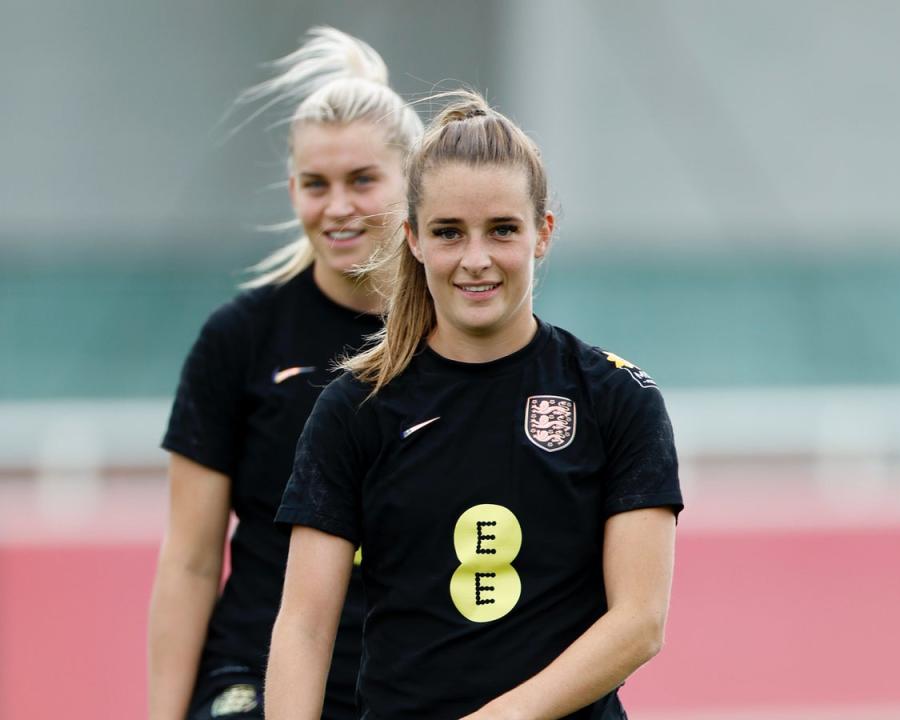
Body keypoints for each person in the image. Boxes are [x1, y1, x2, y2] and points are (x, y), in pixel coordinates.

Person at [266, 91, 683, 719]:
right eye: (449, 233)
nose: (476, 259)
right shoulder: (355, 409)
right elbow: (303, 627)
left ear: (543, 233)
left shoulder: (617, 398)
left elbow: (638, 623)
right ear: (412, 239)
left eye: (503, 230)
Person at [147, 27, 423, 720]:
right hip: (256, 674)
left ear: (415, 182)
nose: (337, 208)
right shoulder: (239, 338)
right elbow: (189, 561)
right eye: (315, 184)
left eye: (363, 180)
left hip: (412, 679)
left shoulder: (463, 336)